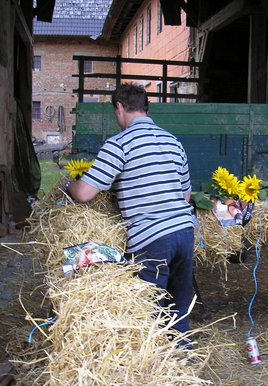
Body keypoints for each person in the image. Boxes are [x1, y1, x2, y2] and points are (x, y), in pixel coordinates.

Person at [66, 83, 195, 348]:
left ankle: (151, 369)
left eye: (115, 113)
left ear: (119, 108)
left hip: (152, 238)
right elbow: (186, 196)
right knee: (179, 308)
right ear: (145, 107)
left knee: (148, 309)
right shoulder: (173, 141)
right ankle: (183, 362)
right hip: (184, 232)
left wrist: (68, 184)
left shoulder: (120, 143)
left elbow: (85, 193)